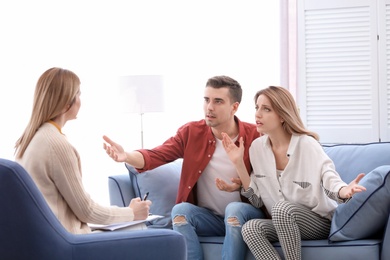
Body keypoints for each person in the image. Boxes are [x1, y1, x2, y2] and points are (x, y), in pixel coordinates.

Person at [103, 75, 266, 260]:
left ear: (234, 107)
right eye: (206, 100)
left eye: (218, 101)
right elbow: (157, 155)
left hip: (246, 215)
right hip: (208, 218)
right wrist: (126, 156)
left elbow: (269, 181)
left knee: (234, 210)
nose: (209, 107)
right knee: (180, 211)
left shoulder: (255, 136)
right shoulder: (191, 132)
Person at [221, 86, 366, 260]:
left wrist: (344, 191)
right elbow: (257, 200)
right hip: (282, 220)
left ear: (282, 116)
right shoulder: (257, 148)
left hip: (317, 221)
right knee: (250, 229)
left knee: (281, 209)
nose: (258, 114)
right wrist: (238, 163)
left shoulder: (306, 144)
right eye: (257, 107)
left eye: (266, 109)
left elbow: (328, 176)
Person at [14, 67, 151, 234]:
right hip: (66, 242)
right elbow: (87, 211)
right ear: (66, 102)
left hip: (47, 238)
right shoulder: (56, 145)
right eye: (78, 94)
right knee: (144, 231)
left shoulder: (30, 140)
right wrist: (132, 213)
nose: (80, 100)